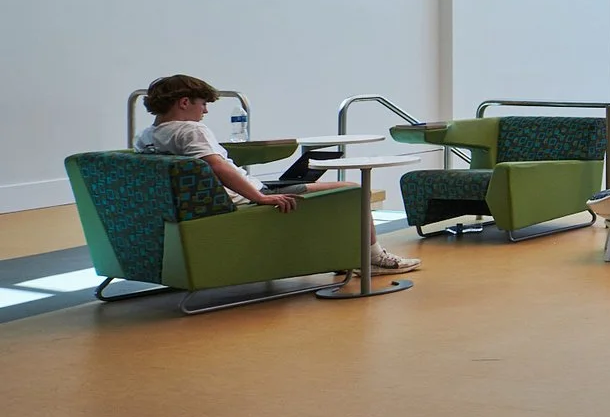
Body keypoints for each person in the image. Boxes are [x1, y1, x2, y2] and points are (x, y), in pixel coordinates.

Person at [135, 74, 417, 274]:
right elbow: (216, 167)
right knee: (354, 190)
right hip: (243, 197)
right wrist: (260, 197)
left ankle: (343, 253)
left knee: (306, 179)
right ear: (184, 102)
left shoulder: (146, 136)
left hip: (207, 201)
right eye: (202, 103)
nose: (205, 110)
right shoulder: (190, 130)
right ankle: (374, 258)